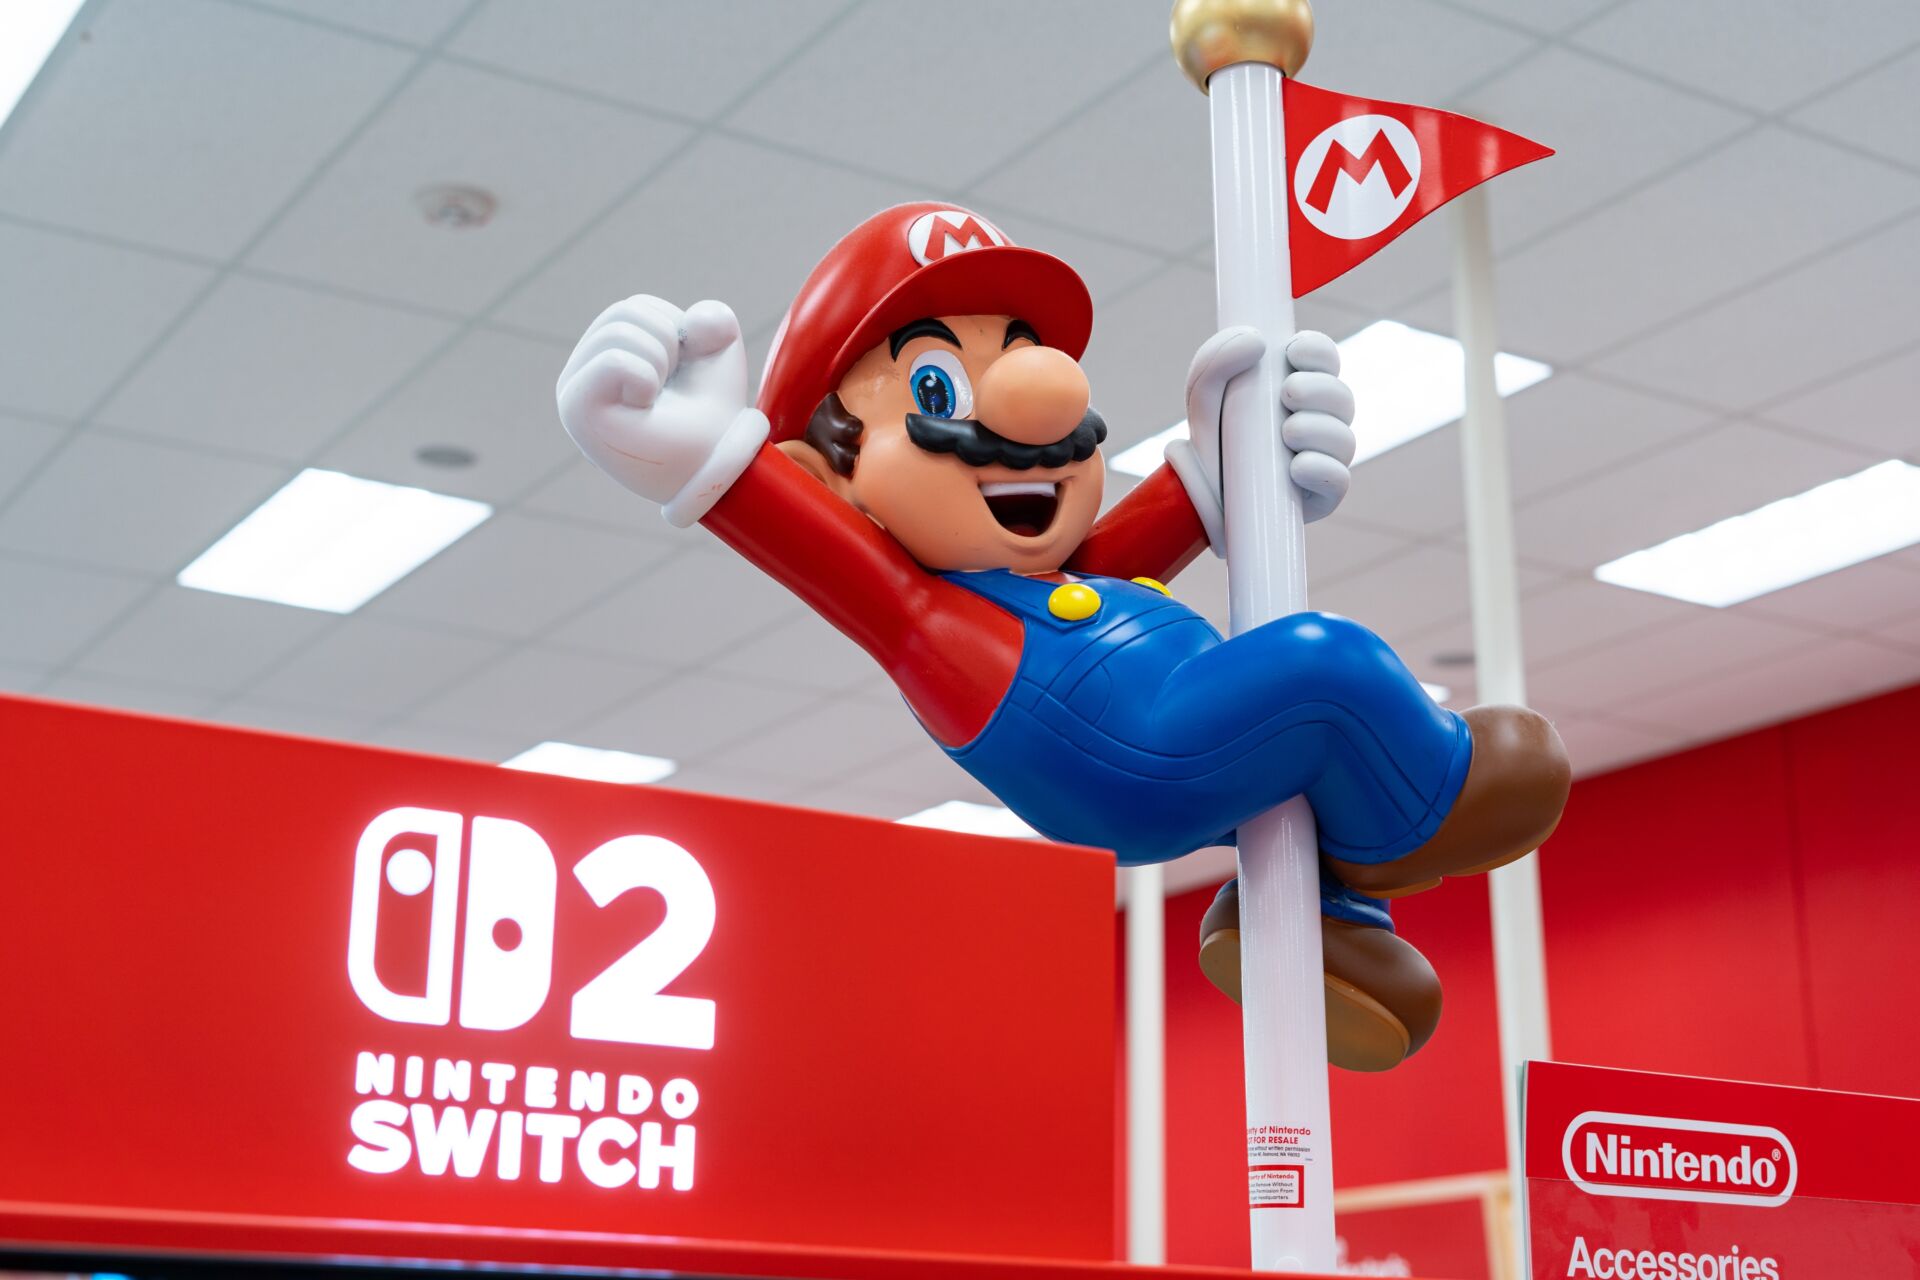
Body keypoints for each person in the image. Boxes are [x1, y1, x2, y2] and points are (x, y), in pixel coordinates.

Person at [556, 203, 1569, 1070]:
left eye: (1025, 359)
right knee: (1321, 665)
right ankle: (1431, 802)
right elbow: (829, 561)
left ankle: (1326, 929)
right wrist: (711, 464)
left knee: (1302, 778)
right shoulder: (928, 621)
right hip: (1131, 759)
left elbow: (1121, 555)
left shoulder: (1055, 577)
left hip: (1178, 736)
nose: (1039, 411)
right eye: (938, 389)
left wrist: (1229, 469)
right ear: (827, 477)